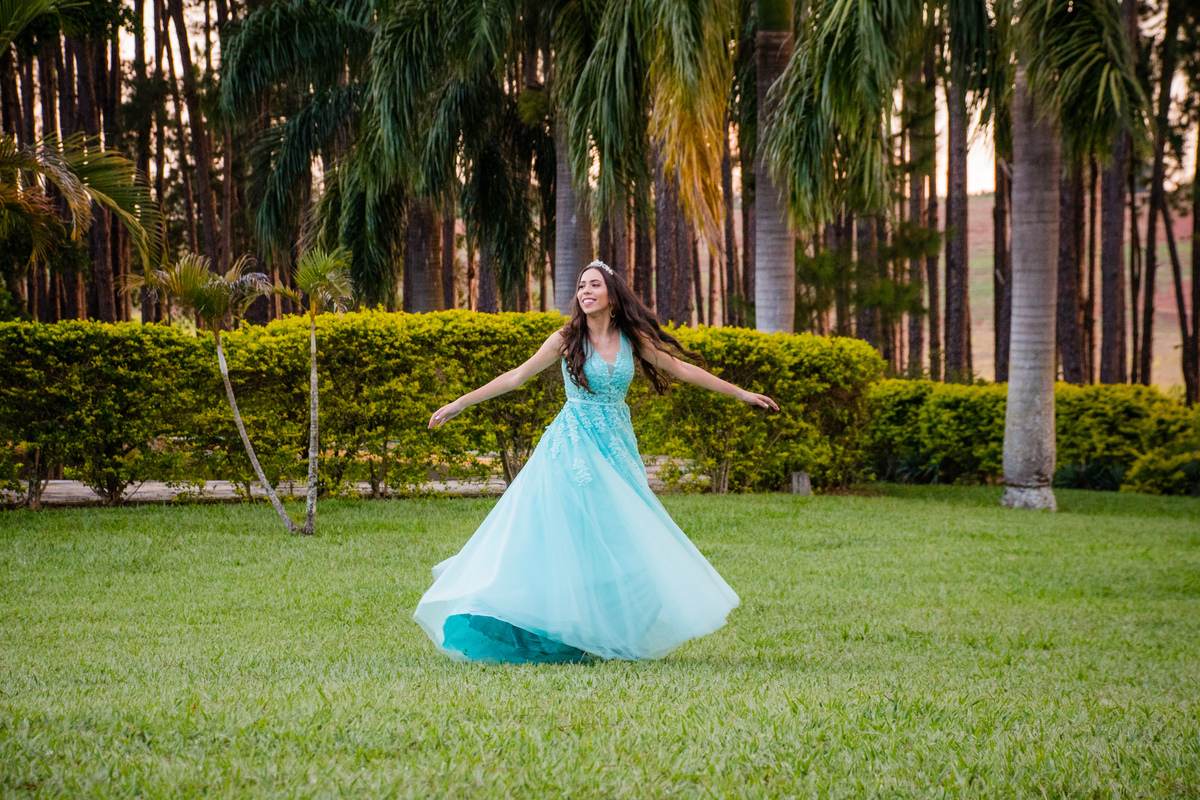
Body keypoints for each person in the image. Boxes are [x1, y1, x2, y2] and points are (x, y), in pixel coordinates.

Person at [413, 260, 779, 663]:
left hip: (617, 449)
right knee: (567, 540)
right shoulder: (565, 339)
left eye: (594, 285)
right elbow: (517, 376)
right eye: (581, 286)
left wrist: (742, 393)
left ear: (612, 295)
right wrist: (461, 403)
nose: (585, 291)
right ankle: (546, 625)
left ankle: (606, 628)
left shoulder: (632, 338)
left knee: (624, 539)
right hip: (572, 449)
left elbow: (680, 368)